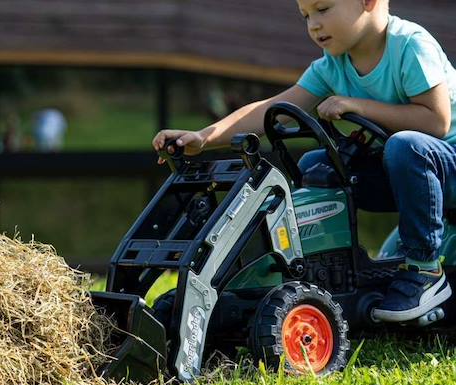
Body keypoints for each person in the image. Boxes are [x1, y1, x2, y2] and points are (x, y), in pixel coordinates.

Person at [152, 0, 456, 323]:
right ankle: (327, 275)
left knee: (403, 146)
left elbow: (436, 122)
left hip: (444, 165)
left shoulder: (410, 45)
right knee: (318, 166)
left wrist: (359, 106)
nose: (313, 25)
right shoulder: (333, 65)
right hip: (408, 173)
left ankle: (425, 270)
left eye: (323, 9)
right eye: (306, 15)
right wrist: (204, 138)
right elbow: (269, 107)